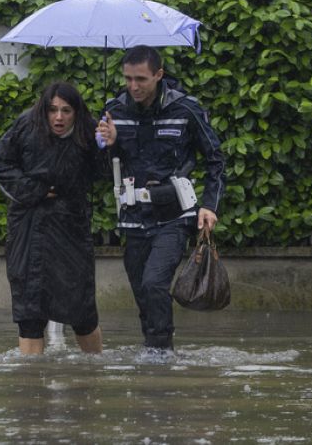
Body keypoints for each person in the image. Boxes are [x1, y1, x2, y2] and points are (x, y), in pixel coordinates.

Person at [96, 45, 225, 356]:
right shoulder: (114, 110)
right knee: (143, 293)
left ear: (158, 75)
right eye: (128, 78)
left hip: (174, 216)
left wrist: (209, 205)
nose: (133, 86)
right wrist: (108, 145)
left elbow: (215, 160)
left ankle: (160, 355)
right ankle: (154, 352)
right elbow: (102, 170)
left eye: (141, 79)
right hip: (131, 217)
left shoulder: (186, 109)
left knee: (155, 284)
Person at [0, 81, 107, 355]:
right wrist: (36, 190)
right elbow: (0, 163)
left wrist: (108, 145)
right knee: (29, 311)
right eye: (53, 110)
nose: (59, 117)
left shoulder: (90, 131)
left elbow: (102, 174)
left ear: (76, 112)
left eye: (66, 111)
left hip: (71, 227)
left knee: (82, 310)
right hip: (28, 227)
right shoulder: (26, 126)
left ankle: (94, 371)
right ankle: (31, 385)